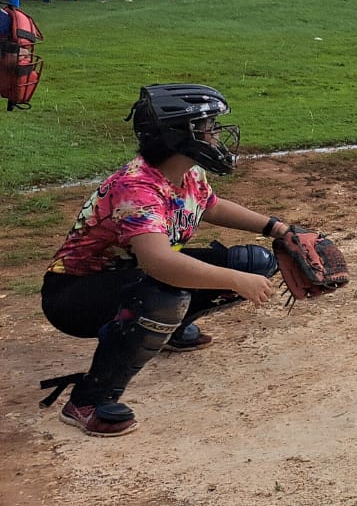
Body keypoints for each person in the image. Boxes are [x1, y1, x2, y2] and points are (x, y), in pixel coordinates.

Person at [38, 84, 295, 437]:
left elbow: (210, 206)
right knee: (164, 296)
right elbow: (160, 263)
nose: (216, 134)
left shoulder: (186, 171)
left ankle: (166, 332)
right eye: (208, 127)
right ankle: (88, 402)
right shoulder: (137, 188)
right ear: (178, 135)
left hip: (133, 275)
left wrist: (277, 229)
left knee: (253, 262)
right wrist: (235, 281)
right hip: (74, 295)